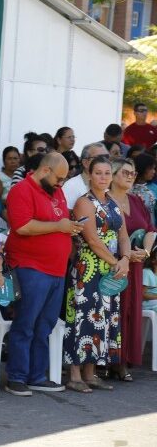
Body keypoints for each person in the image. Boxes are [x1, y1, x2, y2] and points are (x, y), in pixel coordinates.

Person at [4, 152, 75, 396]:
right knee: (26, 323)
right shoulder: (22, 190)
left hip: (56, 269)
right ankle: (17, 377)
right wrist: (59, 226)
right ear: (45, 170)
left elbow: (61, 221)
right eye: (60, 178)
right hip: (31, 267)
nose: (61, 183)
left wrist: (69, 227)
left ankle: (37, 375)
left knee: (45, 325)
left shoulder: (56, 191)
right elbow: (22, 226)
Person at [64, 158, 130, 393]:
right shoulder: (84, 202)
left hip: (111, 268)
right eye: (98, 173)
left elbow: (123, 234)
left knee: (101, 320)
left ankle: (90, 373)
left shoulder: (114, 202)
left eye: (106, 173)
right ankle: (74, 375)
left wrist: (125, 259)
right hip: (88, 268)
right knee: (82, 318)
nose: (103, 177)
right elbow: (91, 239)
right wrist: (116, 262)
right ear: (89, 175)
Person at [107, 158, 154, 382]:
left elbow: (151, 229)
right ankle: (105, 361)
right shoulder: (104, 200)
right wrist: (124, 256)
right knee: (111, 313)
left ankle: (123, 361)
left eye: (133, 173)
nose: (130, 176)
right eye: (125, 172)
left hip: (135, 265)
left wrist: (144, 252)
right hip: (110, 264)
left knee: (129, 312)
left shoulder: (136, 201)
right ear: (113, 174)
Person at [62, 143, 110, 210]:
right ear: (85, 163)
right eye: (99, 158)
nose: (104, 161)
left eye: (107, 157)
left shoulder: (108, 185)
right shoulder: (71, 186)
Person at [131, 153, 157, 225]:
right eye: (150, 168)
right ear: (142, 168)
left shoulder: (154, 187)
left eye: (154, 168)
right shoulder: (128, 188)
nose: (154, 171)